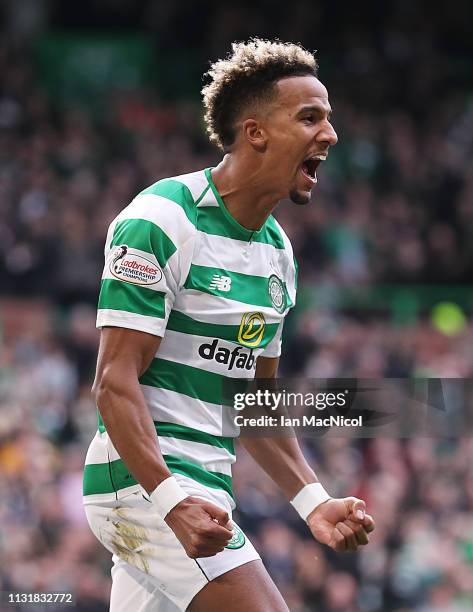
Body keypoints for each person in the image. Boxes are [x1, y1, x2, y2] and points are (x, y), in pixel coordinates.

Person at [83, 38, 375, 612]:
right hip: (144, 484)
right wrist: (171, 500)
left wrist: (313, 502)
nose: (330, 135)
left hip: (206, 495)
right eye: (309, 117)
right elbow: (113, 382)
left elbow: (255, 406)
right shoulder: (162, 219)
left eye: (329, 119)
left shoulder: (277, 255)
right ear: (256, 132)